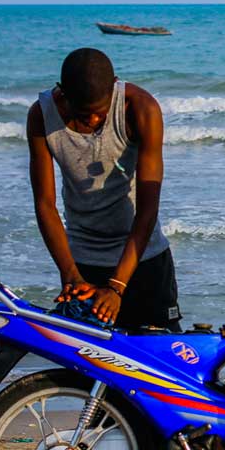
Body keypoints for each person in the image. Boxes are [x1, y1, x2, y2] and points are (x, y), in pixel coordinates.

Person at [26, 48, 181, 330]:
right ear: (63, 94)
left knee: (157, 364)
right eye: (84, 115)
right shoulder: (42, 115)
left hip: (143, 259)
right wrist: (70, 274)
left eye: (100, 113)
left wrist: (117, 286)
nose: (94, 121)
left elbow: (147, 209)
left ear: (115, 87)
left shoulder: (141, 109)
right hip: (82, 261)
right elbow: (45, 203)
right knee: (85, 365)